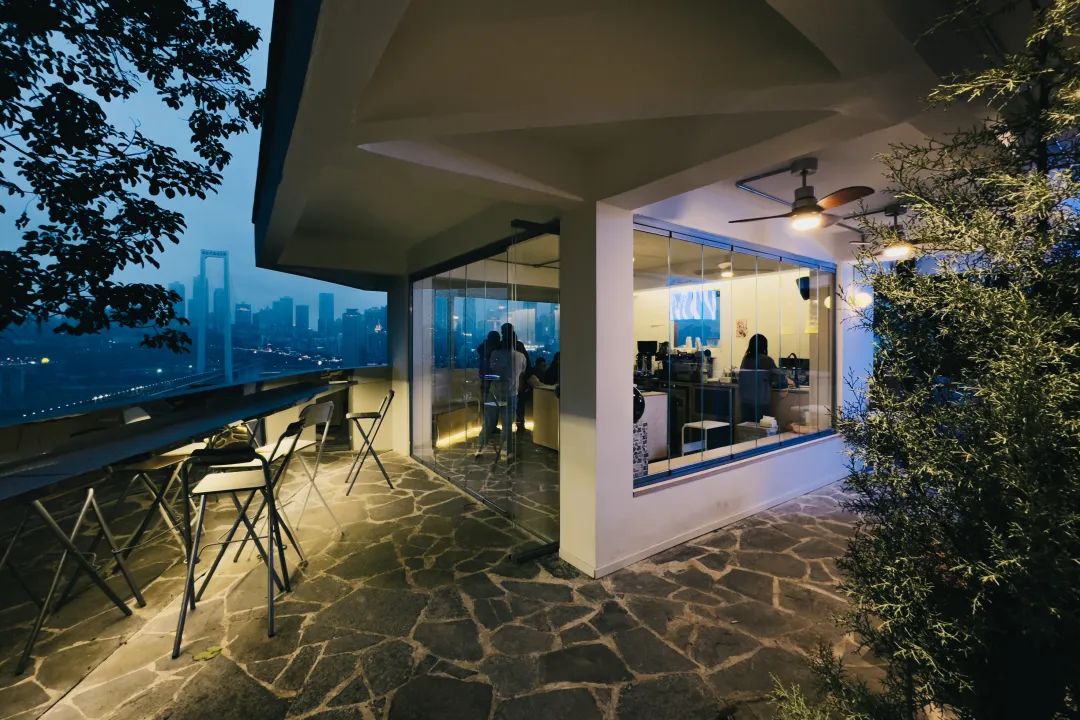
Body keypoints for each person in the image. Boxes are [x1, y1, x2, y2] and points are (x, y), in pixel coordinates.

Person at [478, 324, 527, 457]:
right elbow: (522, 374)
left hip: (494, 392)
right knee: (507, 426)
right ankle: (507, 451)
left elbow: (489, 370)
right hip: (512, 393)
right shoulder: (521, 356)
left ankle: (480, 448)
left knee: (488, 422)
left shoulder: (494, 353)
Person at [737, 334, 790, 423]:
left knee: (747, 427)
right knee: (761, 427)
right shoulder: (766, 360)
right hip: (761, 402)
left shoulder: (745, 359)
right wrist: (787, 381)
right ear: (764, 346)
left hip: (745, 401)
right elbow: (779, 378)